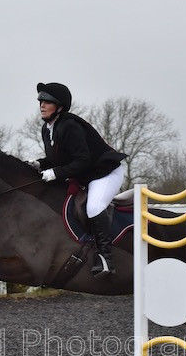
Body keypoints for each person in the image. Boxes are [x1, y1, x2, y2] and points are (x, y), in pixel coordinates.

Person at [27, 82, 127, 278]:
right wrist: (39, 164)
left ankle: (106, 259)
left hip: (105, 173)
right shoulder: (47, 129)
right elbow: (58, 159)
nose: (42, 105)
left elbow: (82, 160)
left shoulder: (70, 126)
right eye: (40, 101)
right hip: (87, 174)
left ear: (60, 106)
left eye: (47, 102)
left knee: (94, 207)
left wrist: (55, 173)